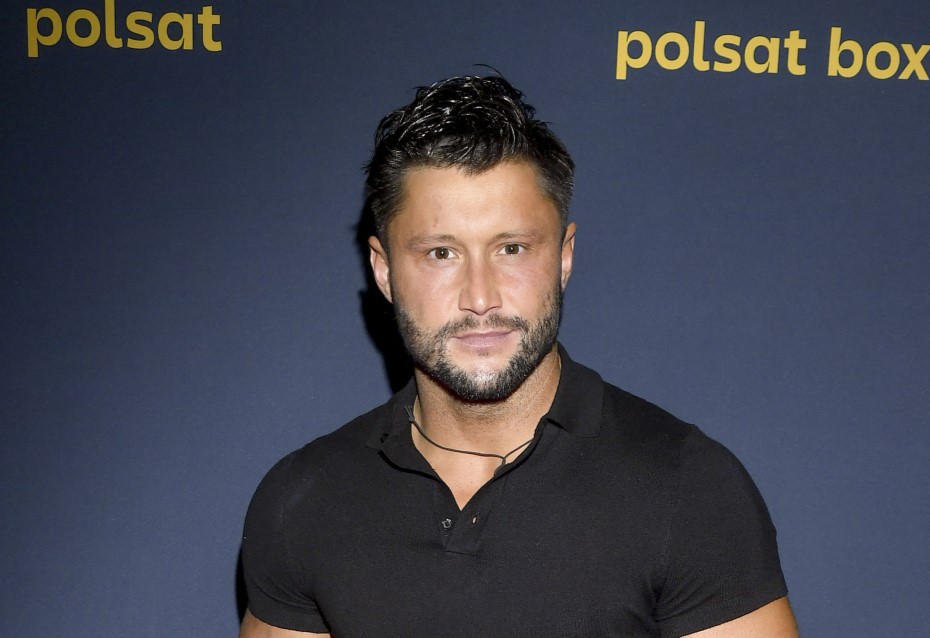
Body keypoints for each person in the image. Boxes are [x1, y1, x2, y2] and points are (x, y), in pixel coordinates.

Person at [239, 74, 798, 638]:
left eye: (511, 248)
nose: (480, 297)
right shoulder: (301, 500)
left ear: (563, 257)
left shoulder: (687, 487)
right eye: (441, 253)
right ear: (384, 271)